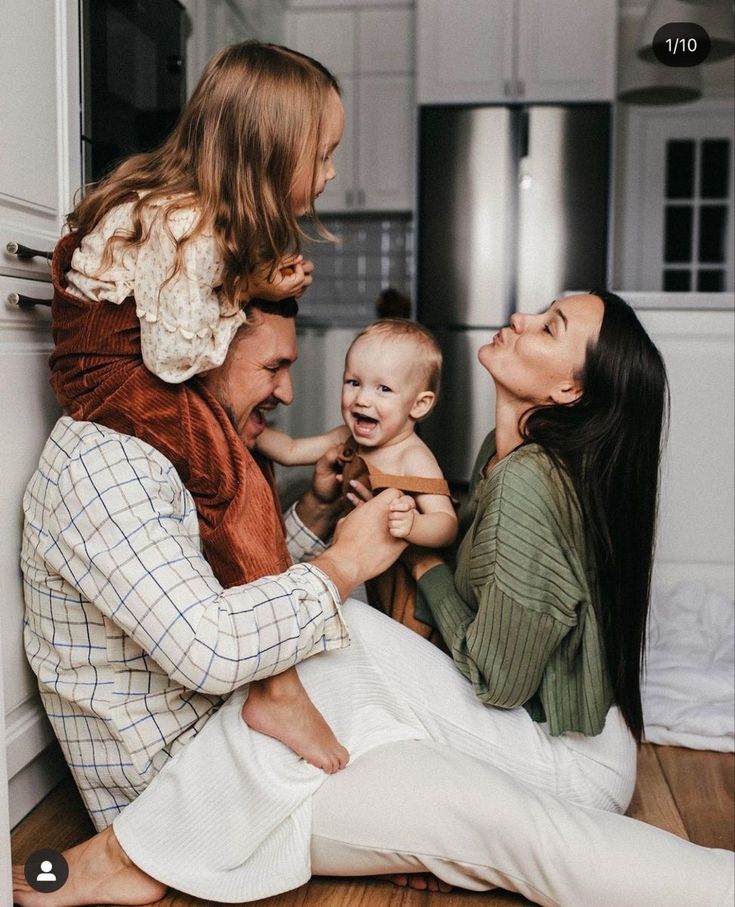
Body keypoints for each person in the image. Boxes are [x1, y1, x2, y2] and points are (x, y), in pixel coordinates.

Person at [14, 292, 733, 907]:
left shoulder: (526, 483)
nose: (518, 315)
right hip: (486, 732)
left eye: (547, 325)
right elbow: (230, 621)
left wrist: (410, 563)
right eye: (275, 366)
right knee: (496, 826)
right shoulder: (499, 454)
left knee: (341, 632)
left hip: (553, 746)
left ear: (571, 391)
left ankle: (129, 854)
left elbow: (498, 675)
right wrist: (337, 538)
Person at [46, 40, 352, 773]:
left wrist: (250, 284)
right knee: (238, 488)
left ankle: (272, 663)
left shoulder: (180, 209)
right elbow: (175, 356)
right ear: (270, 152)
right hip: (117, 374)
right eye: (324, 153)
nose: (331, 172)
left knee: (232, 470)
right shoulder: (194, 225)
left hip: (108, 362)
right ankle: (274, 688)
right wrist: (244, 292)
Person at [244, 320, 458, 771]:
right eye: (353, 382)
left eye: (383, 389)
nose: (362, 398)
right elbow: (289, 449)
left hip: (403, 581)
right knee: (347, 638)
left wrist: (413, 524)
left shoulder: (412, 456)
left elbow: (446, 524)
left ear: (419, 405)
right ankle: (344, 708)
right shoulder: (345, 439)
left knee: (405, 650)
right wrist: (237, 423)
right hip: (358, 567)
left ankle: (413, 736)